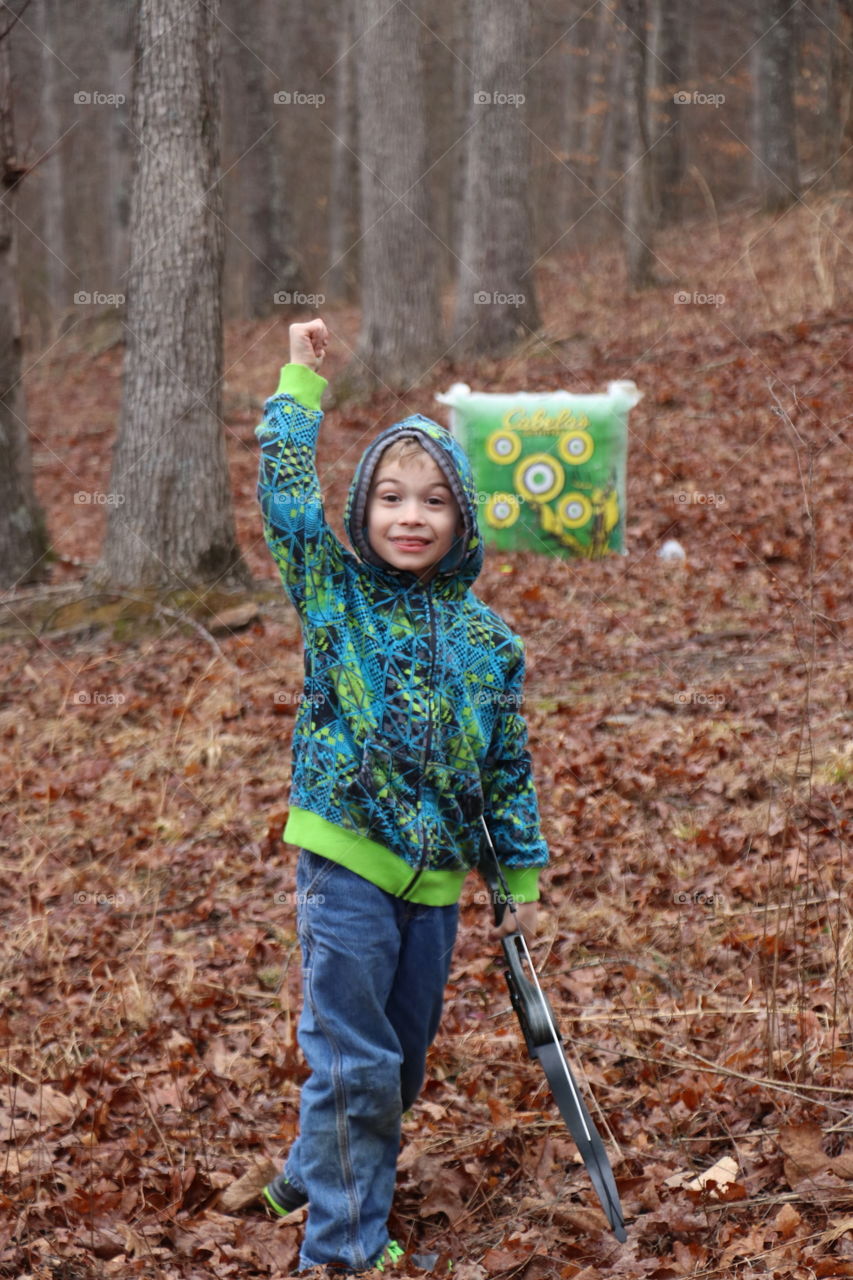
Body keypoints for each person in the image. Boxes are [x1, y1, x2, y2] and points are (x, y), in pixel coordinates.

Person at [254, 318, 549, 1273]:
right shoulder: (335, 596)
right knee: (357, 1063)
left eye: (431, 500)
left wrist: (516, 883)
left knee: (401, 1065)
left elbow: (503, 770)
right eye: (388, 498)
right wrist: (301, 382)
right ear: (363, 511)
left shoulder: (489, 644)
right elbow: (287, 501)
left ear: (462, 519)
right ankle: (340, 1249)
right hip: (343, 857)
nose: (409, 515)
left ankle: (312, 1164)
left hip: (434, 888)